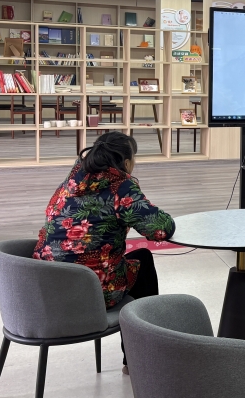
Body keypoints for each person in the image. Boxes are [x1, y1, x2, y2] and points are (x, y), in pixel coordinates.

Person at [33, 132, 175, 374]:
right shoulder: (120, 186)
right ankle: (139, 360)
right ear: (127, 162)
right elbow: (161, 228)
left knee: (125, 260)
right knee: (143, 260)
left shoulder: (71, 181)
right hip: (88, 292)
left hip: (45, 289)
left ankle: (138, 358)